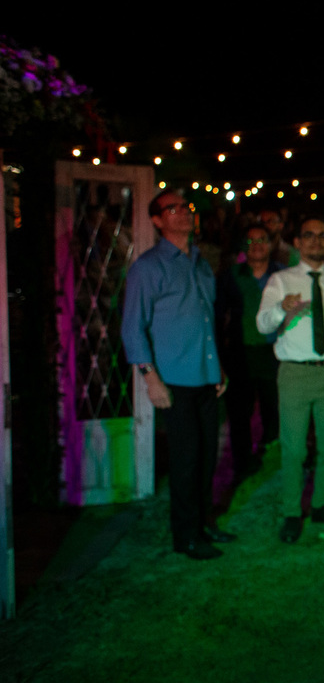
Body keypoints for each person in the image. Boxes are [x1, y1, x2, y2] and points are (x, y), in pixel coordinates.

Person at [121, 189, 231, 560]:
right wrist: (150, 377)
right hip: (174, 380)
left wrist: (217, 367)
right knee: (185, 460)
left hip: (205, 376)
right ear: (157, 220)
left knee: (206, 458)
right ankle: (185, 536)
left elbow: (206, 321)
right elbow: (132, 328)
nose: (184, 212)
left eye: (186, 207)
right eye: (174, 208)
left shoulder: (199, 262)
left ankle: (203, 523)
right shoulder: (148, 267)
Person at [256, 216, 324, 544]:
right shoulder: (281, 281)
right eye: (308, 235)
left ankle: (322, 503)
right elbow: (262, 324)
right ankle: (292, 512)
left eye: (322, 235)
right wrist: (282, 309)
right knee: (294, 449)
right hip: (295, 374)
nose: (316, 241)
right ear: (296, 242)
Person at [216, 224, 282, 481]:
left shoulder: (281, 275)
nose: (257, 245)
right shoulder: (231, 276)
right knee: (240, 412)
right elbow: (220, 315)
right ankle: (242, 463)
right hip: (241, 353)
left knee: (274, 407)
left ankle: (272, 451)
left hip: (274, 352)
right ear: (244, 246)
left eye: (262, 240)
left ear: (271, 243)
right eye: (251, 241)